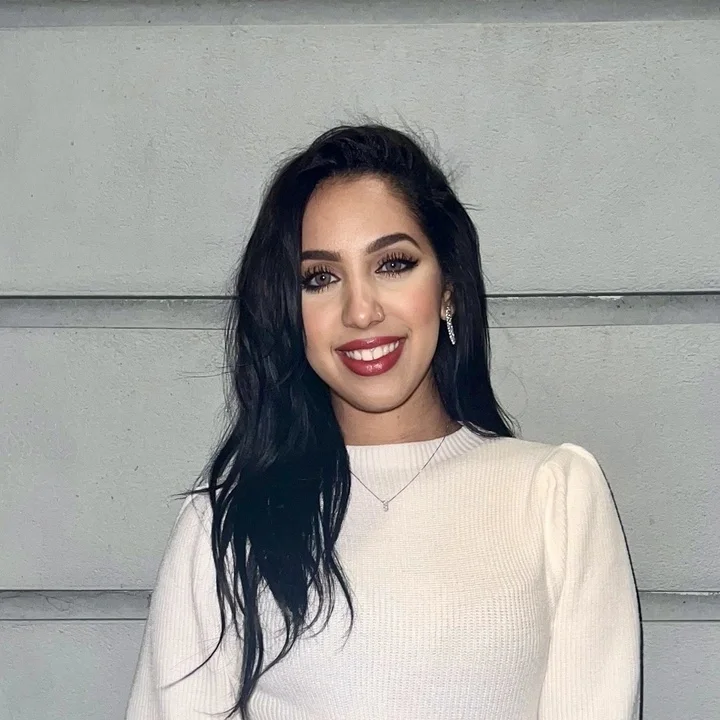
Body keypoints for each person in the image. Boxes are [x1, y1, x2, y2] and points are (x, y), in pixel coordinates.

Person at [125, 123, 641, 720]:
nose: (361, 311)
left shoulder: (555, 495)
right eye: (320, 278)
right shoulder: (224, 523)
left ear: (448, 288)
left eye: (393, 264)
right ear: (290, 313)